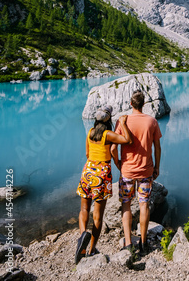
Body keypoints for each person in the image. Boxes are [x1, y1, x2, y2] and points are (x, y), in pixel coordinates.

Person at [75, 105, 133, 264]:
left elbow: (87, 153)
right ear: (109, 121)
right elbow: (127, 140)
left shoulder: (90, 133)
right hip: (101, 175)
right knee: (98, 215)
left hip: (87, 171)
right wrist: (123, 124)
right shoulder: (108, 135)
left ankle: (82, 237)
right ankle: (92, 248)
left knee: (84, 209)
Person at [111, 90, 162, 254]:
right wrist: (157, 167)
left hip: (127, 171)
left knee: (126, 204)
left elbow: (113, 148)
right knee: (144, 205)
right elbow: (157, 147)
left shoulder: (122, 121)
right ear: (144, 104)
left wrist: (118, 163)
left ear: (131, 104)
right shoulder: (152, 121)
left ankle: (128, 242)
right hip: (146, 171)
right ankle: (143, 242)